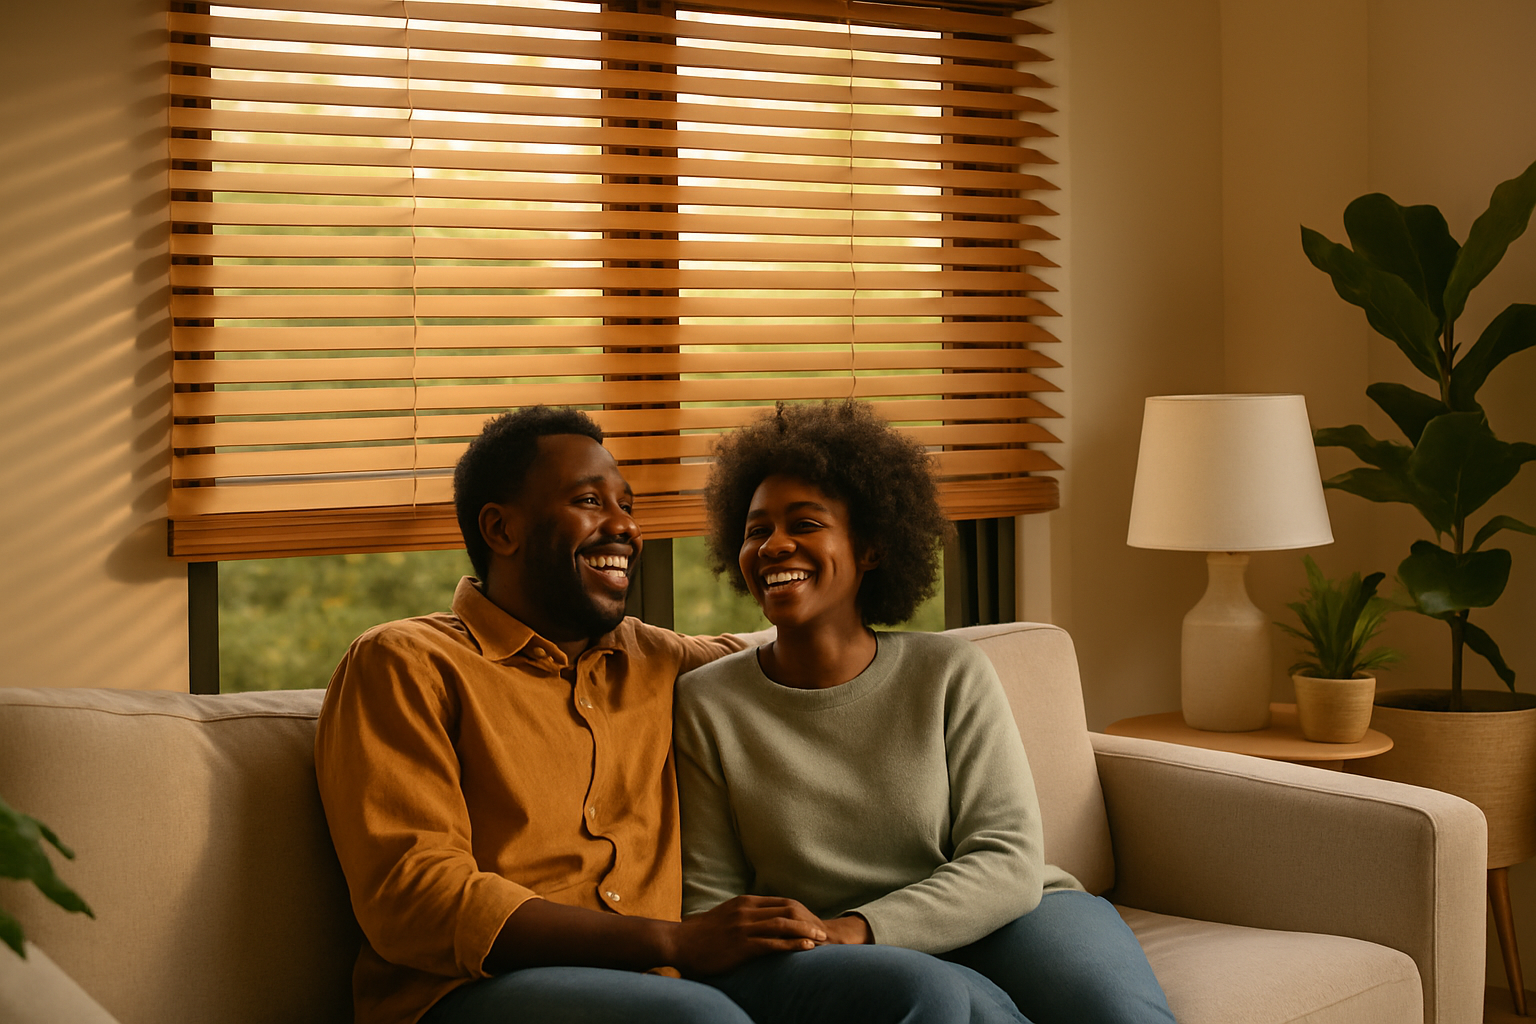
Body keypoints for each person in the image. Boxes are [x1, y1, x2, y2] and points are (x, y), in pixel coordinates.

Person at [314, 405, 1030, 1024]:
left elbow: (802, 658)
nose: (624, 527)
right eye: (591, 502)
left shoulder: (664, 663)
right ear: (501, 530)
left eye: (629, 506)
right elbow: (415, 898)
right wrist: (670, 942)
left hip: (673, 983)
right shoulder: (404, 664)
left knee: (924, 993)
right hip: (474, 993)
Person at [675, 400, 1178, 1024]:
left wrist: (859, 926)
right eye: (756, 530)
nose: (775, 545)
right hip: (839, 953)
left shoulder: (947, 672)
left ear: (872, 549)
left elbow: (1008, 859)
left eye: (804, 523)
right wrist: (811, 942)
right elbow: (712, 903)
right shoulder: (707, 703)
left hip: (1012, 914)